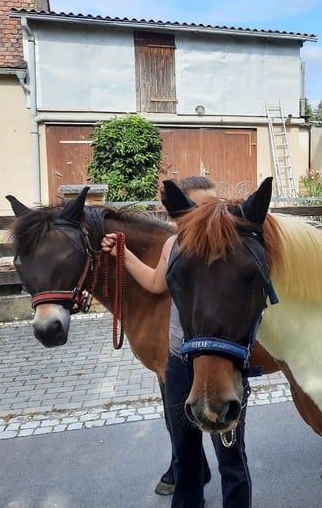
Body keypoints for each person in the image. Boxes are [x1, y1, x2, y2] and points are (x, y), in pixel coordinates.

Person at [101, 176, 252, 508]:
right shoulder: (172, 246)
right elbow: (157, 284)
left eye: (216, 206)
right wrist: (123, 254)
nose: (210, 215)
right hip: (180, 362)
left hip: (219, 361)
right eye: (200, 207)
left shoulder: (231, 245)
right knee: (185, 452)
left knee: (230, 457)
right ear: (180, 213)